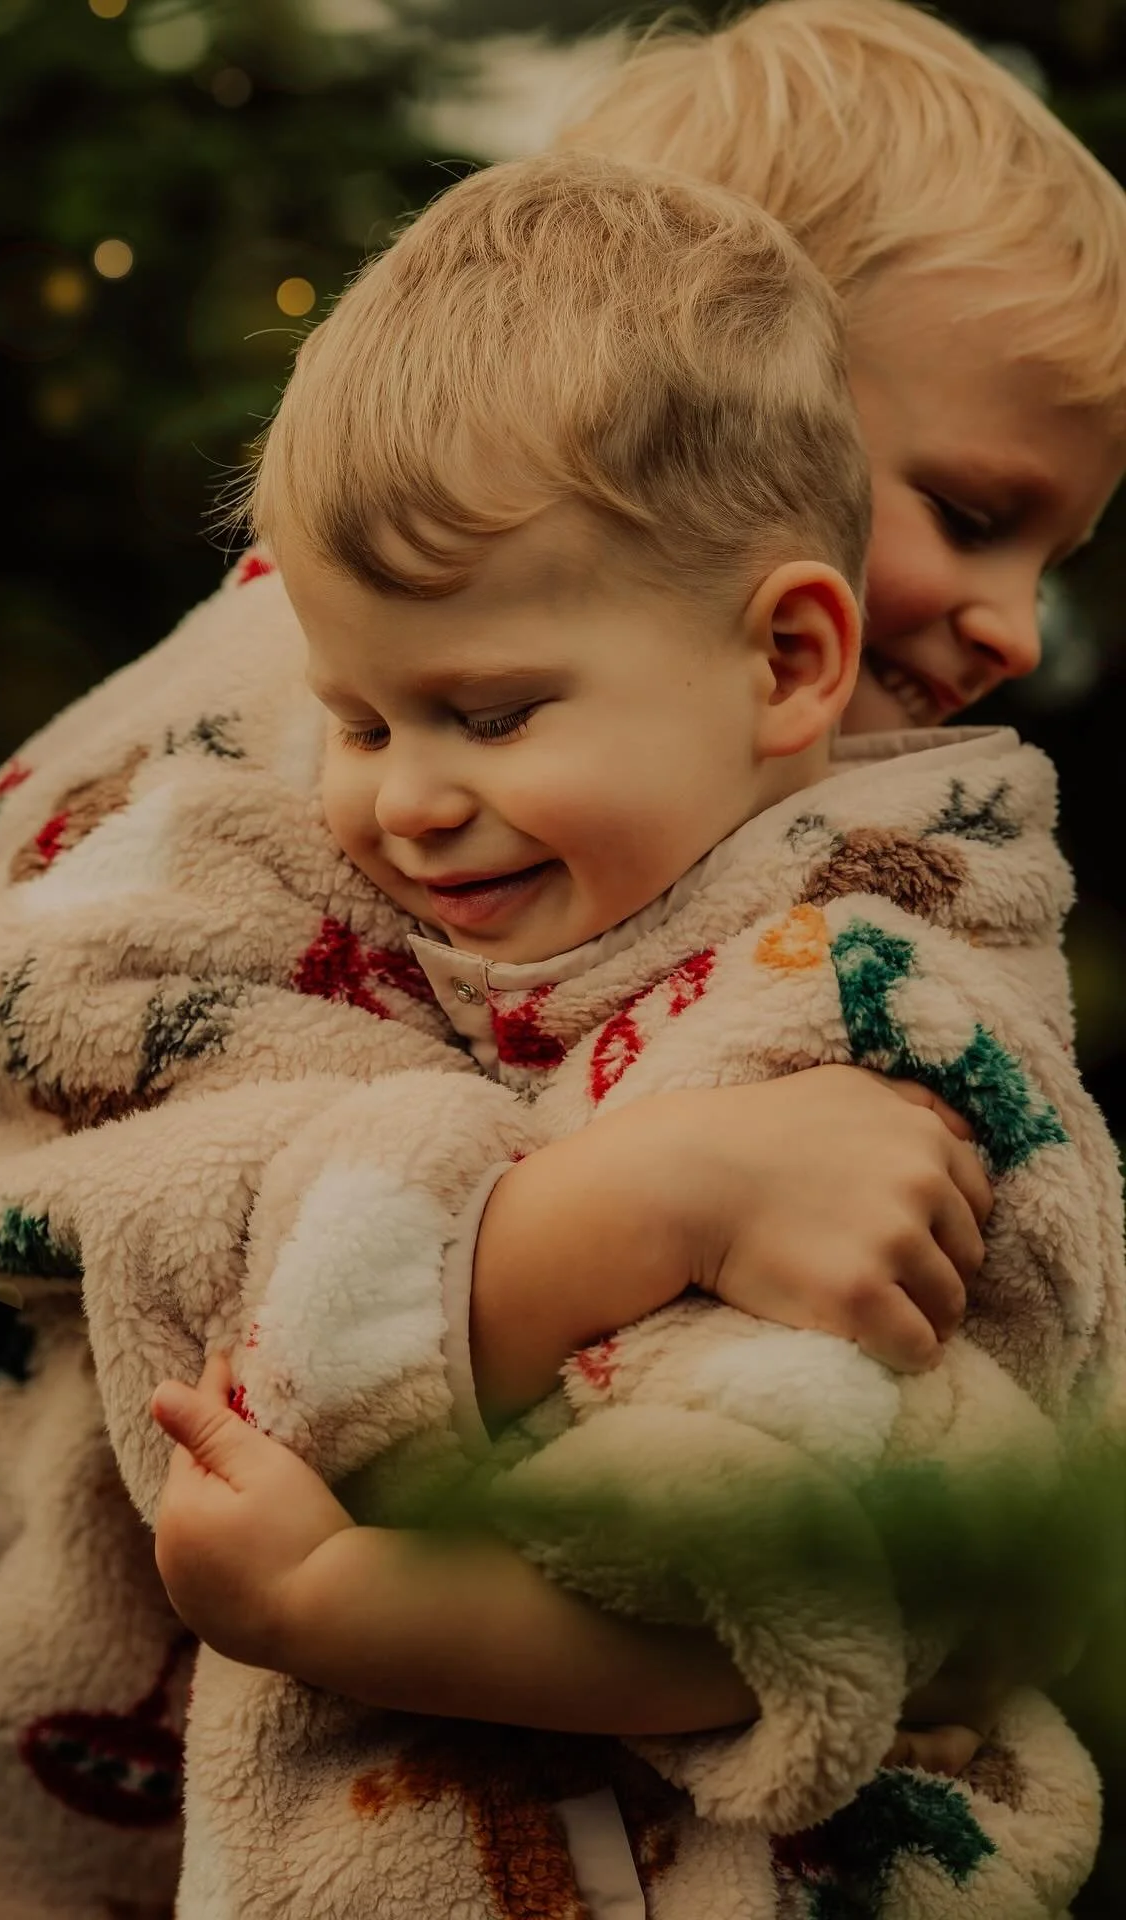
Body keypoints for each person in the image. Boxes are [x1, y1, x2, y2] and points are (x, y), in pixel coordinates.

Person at [0, 3, 1121, 1917]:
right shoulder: (322, 690)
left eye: (1059, 552)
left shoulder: (852, 861)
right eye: (968, 510)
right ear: (693, 368)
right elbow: (75, 1127)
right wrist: (643, 1208)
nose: (1017, 624)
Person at [145, 146, 1122, 1920]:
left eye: (492, 715)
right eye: (358, 720)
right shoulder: (553, 897)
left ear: (785, 663)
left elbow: (787, 1601)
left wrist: (325, 1610)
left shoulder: (845, 1017)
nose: (403, 803)